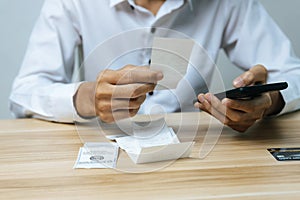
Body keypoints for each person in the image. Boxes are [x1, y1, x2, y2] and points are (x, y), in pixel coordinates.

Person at [9, 0, 300, 132]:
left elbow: (292, 74)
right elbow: (23, 93)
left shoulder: (228, 3)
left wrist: (270, 100)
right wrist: (86, 97)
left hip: (193, 157)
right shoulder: (71, 3)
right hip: (103, 155)